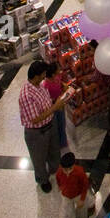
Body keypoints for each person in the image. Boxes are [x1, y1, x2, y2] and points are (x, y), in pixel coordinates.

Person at [19, 59, 69, 191]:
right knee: (39, 158)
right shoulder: (26, 95)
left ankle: (55, 170)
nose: (45, 76)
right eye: (43, 74)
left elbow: (46, 103)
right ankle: (43, 180)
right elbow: (35, 119)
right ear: (36, 75)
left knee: (54, 150)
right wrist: (55, 107)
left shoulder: (40, 85)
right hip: (37, 133)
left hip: (50, 124)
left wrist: (58, 101)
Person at [55, 151, 95, 218]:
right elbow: (58, 181)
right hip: (66, 196)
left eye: (70, 168)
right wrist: (60, 187)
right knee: (67, 214)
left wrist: (82, 198)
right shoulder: (59, 172)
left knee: (88, 200)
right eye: (65, 169)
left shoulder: (79, 172)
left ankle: (91, 206)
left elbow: (85, 185)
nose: (68, 171)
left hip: (78, 193)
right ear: (61, 167)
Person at [43, 61, 68, 148]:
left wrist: (64, 86)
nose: (60, 70)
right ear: (53, 74)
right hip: (54, 107)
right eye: (58, 69)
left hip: (61, 104)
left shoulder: (57, 77)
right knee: (58, 125)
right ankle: (60, 143)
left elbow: (61, 83)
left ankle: (63, 142)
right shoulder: (46, 85)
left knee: (63, 123)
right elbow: (46, 100)